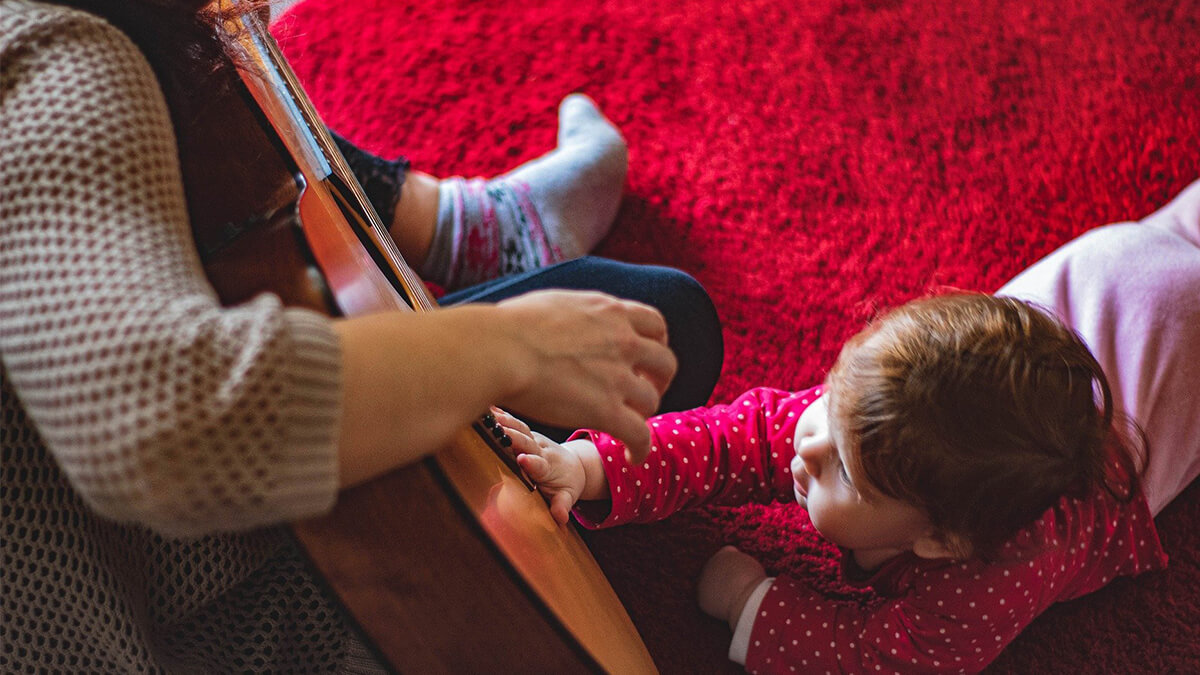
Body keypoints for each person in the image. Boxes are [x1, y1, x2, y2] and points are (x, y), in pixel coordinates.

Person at [0, 0, 723, 671]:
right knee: (642, 333)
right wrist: (511, 347)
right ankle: (480, 227)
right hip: (213, 610)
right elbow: (167, 425)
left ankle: (469, 225)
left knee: (645, 323)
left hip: (161, 556)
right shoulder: (58, 54)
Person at [497, 179, 1200, 673]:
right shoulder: (864, 423)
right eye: (831, 395)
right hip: (1102, 281)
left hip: (1174, 358)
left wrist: (750, 601)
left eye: (843, 472)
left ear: (938, 539)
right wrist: (588, 466)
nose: (804, 444)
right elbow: (725, 440)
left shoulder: (989, 575)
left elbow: (878, 660)